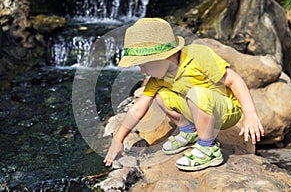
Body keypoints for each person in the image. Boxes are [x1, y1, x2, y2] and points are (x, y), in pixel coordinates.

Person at [103, 18, 264, 171]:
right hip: (197, 108)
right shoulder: (158, 79)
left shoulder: (198, 55)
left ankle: (208, 149)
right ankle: (190, 133)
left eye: (143, 65)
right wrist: (118, 139)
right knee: (161, 95)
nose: (142, 71)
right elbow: (138, 109)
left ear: (164, 57)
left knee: (196, 93)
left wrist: (250, 115)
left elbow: (233, 80)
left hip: (225, 110)